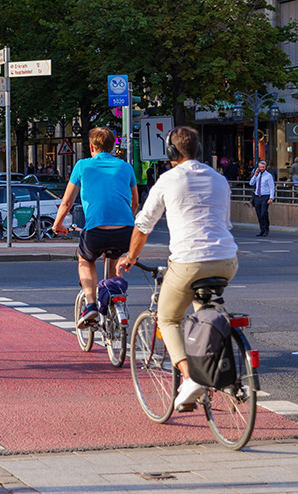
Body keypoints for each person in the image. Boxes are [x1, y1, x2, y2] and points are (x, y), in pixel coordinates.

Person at [116, 126, 238, 412]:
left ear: (172, 152)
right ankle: (216, 364)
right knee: (203, 309)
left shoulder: (167, 180)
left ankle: (191, 378)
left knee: (168, 318)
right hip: (227, 260)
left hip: (188, 262)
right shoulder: (219, 179)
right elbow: (226, 222)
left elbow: (143, 224)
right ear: (199, 151)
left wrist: (131, 257)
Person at [51, 127, 138, 328]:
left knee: (85, 258)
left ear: (91, 146)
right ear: (113, 147)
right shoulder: (126, 167)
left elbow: (67, 203)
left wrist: (58, 225)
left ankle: (91, 305)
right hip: (125, 230)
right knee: (114, 257)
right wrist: (126, 221)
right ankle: (114, 296)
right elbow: (134, 202)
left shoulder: (82, 166)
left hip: (96, 230)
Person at [249, 160, 275, 236]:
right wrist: (255, 175)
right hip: (257, 196)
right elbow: (251, 183)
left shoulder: (268, 176)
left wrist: (271, 197)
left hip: (265, 196)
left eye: (263, 167)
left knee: (264, 213)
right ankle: (262, 230)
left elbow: (272, 187)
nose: (261, 168)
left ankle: (266, 228)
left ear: (265, 167)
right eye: (260, 167)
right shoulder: (257, 175)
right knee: (259, 214)